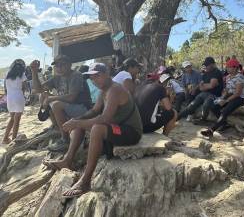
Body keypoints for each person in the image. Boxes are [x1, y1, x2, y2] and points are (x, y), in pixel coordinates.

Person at [43, 63, 142, 197]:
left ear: (107, 74)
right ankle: (67, 160)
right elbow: (95, 110)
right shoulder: (104, 91)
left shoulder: (115, 90)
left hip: (130, 132)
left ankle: (85, 181)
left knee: (96, 129)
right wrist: (77, 120)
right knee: (80, 125)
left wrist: (78, 122)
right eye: (92, 78)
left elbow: (104, 118)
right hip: (117, 128)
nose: (95, 80)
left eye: (98, 76)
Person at [30, 55, 92, 151]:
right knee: (43, 95)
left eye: (62, 65)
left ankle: (65, 140)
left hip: (83, 108)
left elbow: (71, 98)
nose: (59, 68)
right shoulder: (57, 78)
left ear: (69, 65)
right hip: (70, 108)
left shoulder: (76, 75)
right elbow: (38, 89)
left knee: (56, 104)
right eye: (57, 66)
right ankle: (58, 128)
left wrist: (51, 98)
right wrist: (34, 72)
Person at [201, 59, 244, 138]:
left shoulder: (240, 77)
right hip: (230, 96)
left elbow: (238, 93)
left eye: (229, 67)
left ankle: (211, 130)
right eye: (227, 67)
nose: (227, 68)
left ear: (235, 68)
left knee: (225, 111)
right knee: (213, 106)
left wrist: (226, 100)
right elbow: (226, 90)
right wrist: (222, 98)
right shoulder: (228, 77)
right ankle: (224, 123)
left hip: (240, 98)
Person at [177, 57, 223, 121]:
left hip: (214, 95)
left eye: (207, 65)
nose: (206, 66)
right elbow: (201, 87)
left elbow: (212, 85)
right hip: (203, 93)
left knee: (206, 105)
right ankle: (178, 117)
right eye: (205, 65)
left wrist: (203, 86)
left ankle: (203, 119)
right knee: (192, 105)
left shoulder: (217, 72)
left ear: (212, 64)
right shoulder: (206, 74)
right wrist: (205, 86)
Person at [2, 59, 26, 144]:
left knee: (12, 119)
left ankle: (5, 138)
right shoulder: (22, 75)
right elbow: (24, 88)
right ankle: (14, 139)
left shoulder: (7, 74)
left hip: (10, 98)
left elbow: (5, 88)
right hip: (18, 97)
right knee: (17, 120)